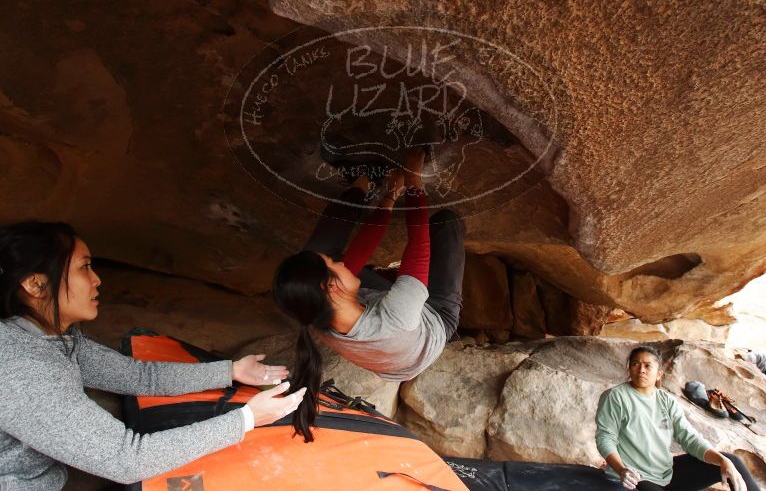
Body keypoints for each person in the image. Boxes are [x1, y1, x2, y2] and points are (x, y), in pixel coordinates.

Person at [0, 222, 306, 490]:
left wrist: (231, 371)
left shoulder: (50, 336)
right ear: (35, 284)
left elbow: (137, 376)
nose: (97, 280)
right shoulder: (23, 369)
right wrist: (246, 419)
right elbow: (126, 460)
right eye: (84, 267)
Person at [272, 149, 466, 441]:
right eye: (334, 266)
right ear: (332, 287)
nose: (340, 262)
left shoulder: (319, 313)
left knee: (313, 258)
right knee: (446, 222)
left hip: (388, 329)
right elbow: (419, 245)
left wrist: (389, 196)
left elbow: (356, 255)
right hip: (435, 319)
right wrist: (413, 179)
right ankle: (362, 185)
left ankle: (362, 182)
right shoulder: (396, 317)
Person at [595, 345, 760, 491]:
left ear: (659, 374)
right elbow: (606, 438)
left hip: (667, 472)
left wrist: (721, 460)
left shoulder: (666, 401)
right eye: (635, 364)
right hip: (634, 477)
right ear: (629, 368)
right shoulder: (616, 396)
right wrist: (621, 469)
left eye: (647, 365)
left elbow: (689, 438)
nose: (641, 370)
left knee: (731, 462)